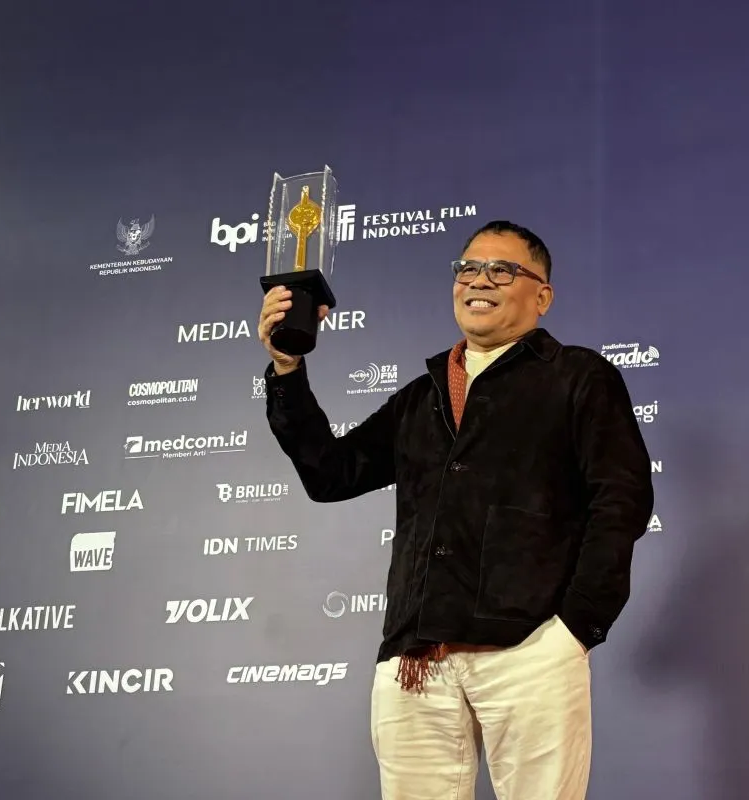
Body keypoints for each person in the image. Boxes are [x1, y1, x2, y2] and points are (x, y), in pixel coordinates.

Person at [258, 219, 654, 800]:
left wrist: (575, 627)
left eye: (502, 270)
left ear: (542, 296)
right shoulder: (423, 395)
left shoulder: (578, 376)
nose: (479, 280)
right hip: (415, 657)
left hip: (532, 647)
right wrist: (287, 370)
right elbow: (331, 473)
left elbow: (621, 499)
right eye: (468, 268)